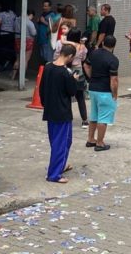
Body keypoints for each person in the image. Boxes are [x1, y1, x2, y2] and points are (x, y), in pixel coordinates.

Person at [41, 44, 78, 183]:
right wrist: (74, 80)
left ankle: (60, 165)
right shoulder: (65, 73)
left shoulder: (48, 67)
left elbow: (42, 89)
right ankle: (54, 174)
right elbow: (72, 92)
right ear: (70, 56)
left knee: (63, 141)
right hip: (62, 112)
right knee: (60, 142)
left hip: (51, 110)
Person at [85, 35, 119, 151]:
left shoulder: (94, 53)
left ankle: (90, 139)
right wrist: (114, 93)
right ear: (114, 45)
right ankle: (100, 143)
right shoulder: (113, 59)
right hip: (104, 91)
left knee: (94, 115)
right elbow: (113, 80)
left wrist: (91, 78)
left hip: (93, 88)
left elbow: (86, 65)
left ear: (103, 43)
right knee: (103, 118)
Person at [15, 11, 39, 81]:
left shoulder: (17, 20)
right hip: (28, 41)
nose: (32, 18)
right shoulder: (29, 22)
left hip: (17, 39)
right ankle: (22, 77)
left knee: (18, 59)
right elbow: (34, 33)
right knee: (25, 60)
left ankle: (13, 76)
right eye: (32, 16)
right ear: (30, 15)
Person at [37, 0, 60, 66]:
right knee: (42, 56)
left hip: (46, 39)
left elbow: (53, 27)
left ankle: (47, 72)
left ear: (50, 7)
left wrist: (43, 21)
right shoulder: (43, 14)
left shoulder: (52, 14)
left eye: (46, 6)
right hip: (41, 38)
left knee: (47, 57)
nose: (44, 7)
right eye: (43, 6)